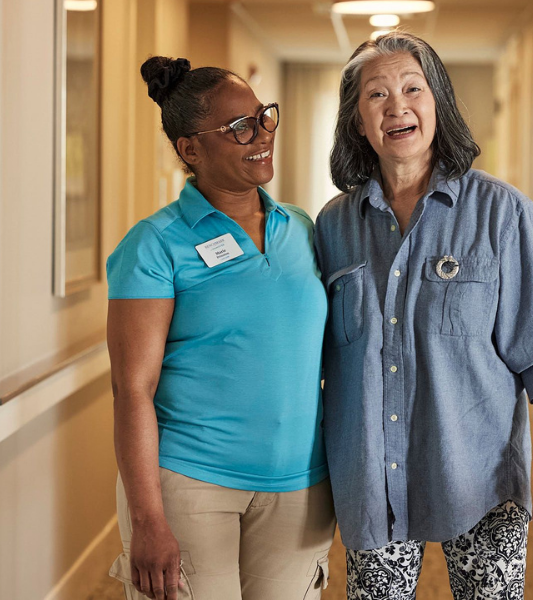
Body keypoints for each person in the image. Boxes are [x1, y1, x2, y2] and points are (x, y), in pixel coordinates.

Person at [314, 32, 533, 599]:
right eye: (376, 95)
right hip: (372, 479)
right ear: (358, 121)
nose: (397, 107)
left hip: (478, 476)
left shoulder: (501, 213)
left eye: (414, 89)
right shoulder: (334, 226)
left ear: (438, 105)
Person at [106, 57, 335, 600]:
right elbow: (131, 390)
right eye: (239, 128)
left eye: (263, 118)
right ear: (190, 150)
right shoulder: (154, 245)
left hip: (299, 485)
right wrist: (147, 519)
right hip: (190, 484)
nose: (261, 136)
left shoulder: (300, 229)